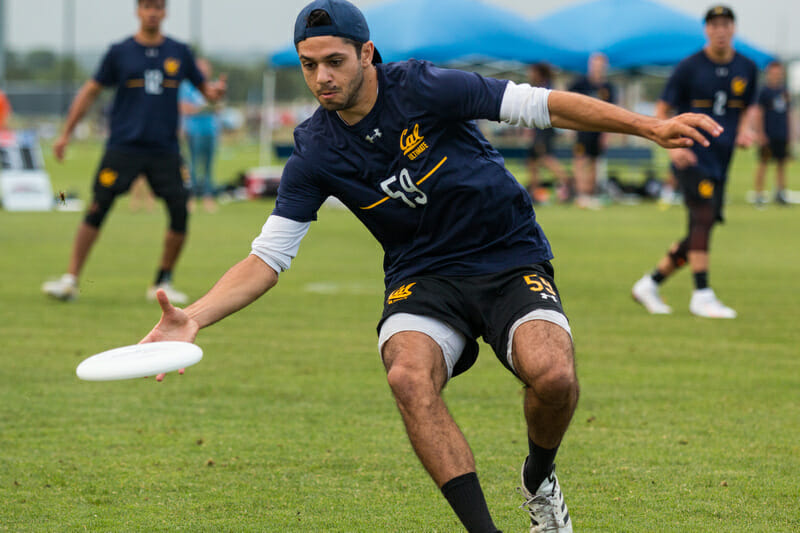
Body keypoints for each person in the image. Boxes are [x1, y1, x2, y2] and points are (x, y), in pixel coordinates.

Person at [141, 1, 721, 531]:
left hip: (507, 254)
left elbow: (536, 105)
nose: (322, 77)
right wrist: (193, 316)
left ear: (367, 54)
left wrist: (647, 126)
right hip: (422, 278)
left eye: (335, 61)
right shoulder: (314, 150)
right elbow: (268, 257)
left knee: (554, 376)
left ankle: (539, 478)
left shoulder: (423, 85)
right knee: (407, 376)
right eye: (309, 64)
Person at [41, 0, 226, 303]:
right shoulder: (120, 51)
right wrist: (65, 134)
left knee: (180, 210)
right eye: (147, 6)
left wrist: (215, 93)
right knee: (97, 208)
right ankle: (71, 279)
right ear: (137, 11)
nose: (152, 12)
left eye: (158, 7)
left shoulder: (179, 51)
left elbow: (206, 91)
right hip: (123, 147)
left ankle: (162, 282)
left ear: (165, 12)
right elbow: (90, 92)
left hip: (165, 149)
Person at [632, 5, 758, 319]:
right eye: (713, 25)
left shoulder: (747, 67)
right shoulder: (689, 67)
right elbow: (662, 108)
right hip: (690, 155)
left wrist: (745, 131)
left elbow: (747, 108)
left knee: (702, 227)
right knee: (702, 218)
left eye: (725, 24)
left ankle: (650, 283)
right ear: (706, 30)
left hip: (722, 159)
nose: (719, 30)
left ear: (733, 29)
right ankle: (702, 294)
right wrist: (671, 149)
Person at [567, 53, 617, 209]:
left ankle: (590, 194)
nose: (597, 68)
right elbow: (568, 103)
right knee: (581, 161)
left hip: (599, 131)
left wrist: (607, 135)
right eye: (595, 64)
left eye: (600, 65)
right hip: (582, 130)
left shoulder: (607, 88)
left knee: (595, 162)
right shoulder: (580, 84)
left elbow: (612, 112)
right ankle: (581, 194)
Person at [180, 58, 221, 213]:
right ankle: (190, 197)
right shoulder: (187, 87)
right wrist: (202, 108)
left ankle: (208, 197)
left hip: (210, 130)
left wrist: (212, 105)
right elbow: (183, 107)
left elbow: (218, 107)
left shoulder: (212, 86)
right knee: (191, 166)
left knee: (208, 166)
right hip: (193, 131)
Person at [526, 63, 571, 204]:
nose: (530, 74)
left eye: (532, 71)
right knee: (532, 162)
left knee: (546, 159)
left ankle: (567, 182)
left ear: (539, 72)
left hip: (544, 130)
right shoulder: (539, 87)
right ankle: (534, 193)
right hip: (539, 130)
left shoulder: (547, 89)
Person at [753, 60, 791, 206]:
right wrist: (760, 133)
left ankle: (780, 193)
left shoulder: (784, 91)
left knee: (781, 164)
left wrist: (790, 133)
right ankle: (758, 194)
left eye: (779, 73)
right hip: (768, 134)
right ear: (769, 74)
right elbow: (759, 113)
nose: (777, 75)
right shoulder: (764, 92)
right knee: (763, 163)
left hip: (781, 134)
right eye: (774, 73)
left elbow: (787, 113)